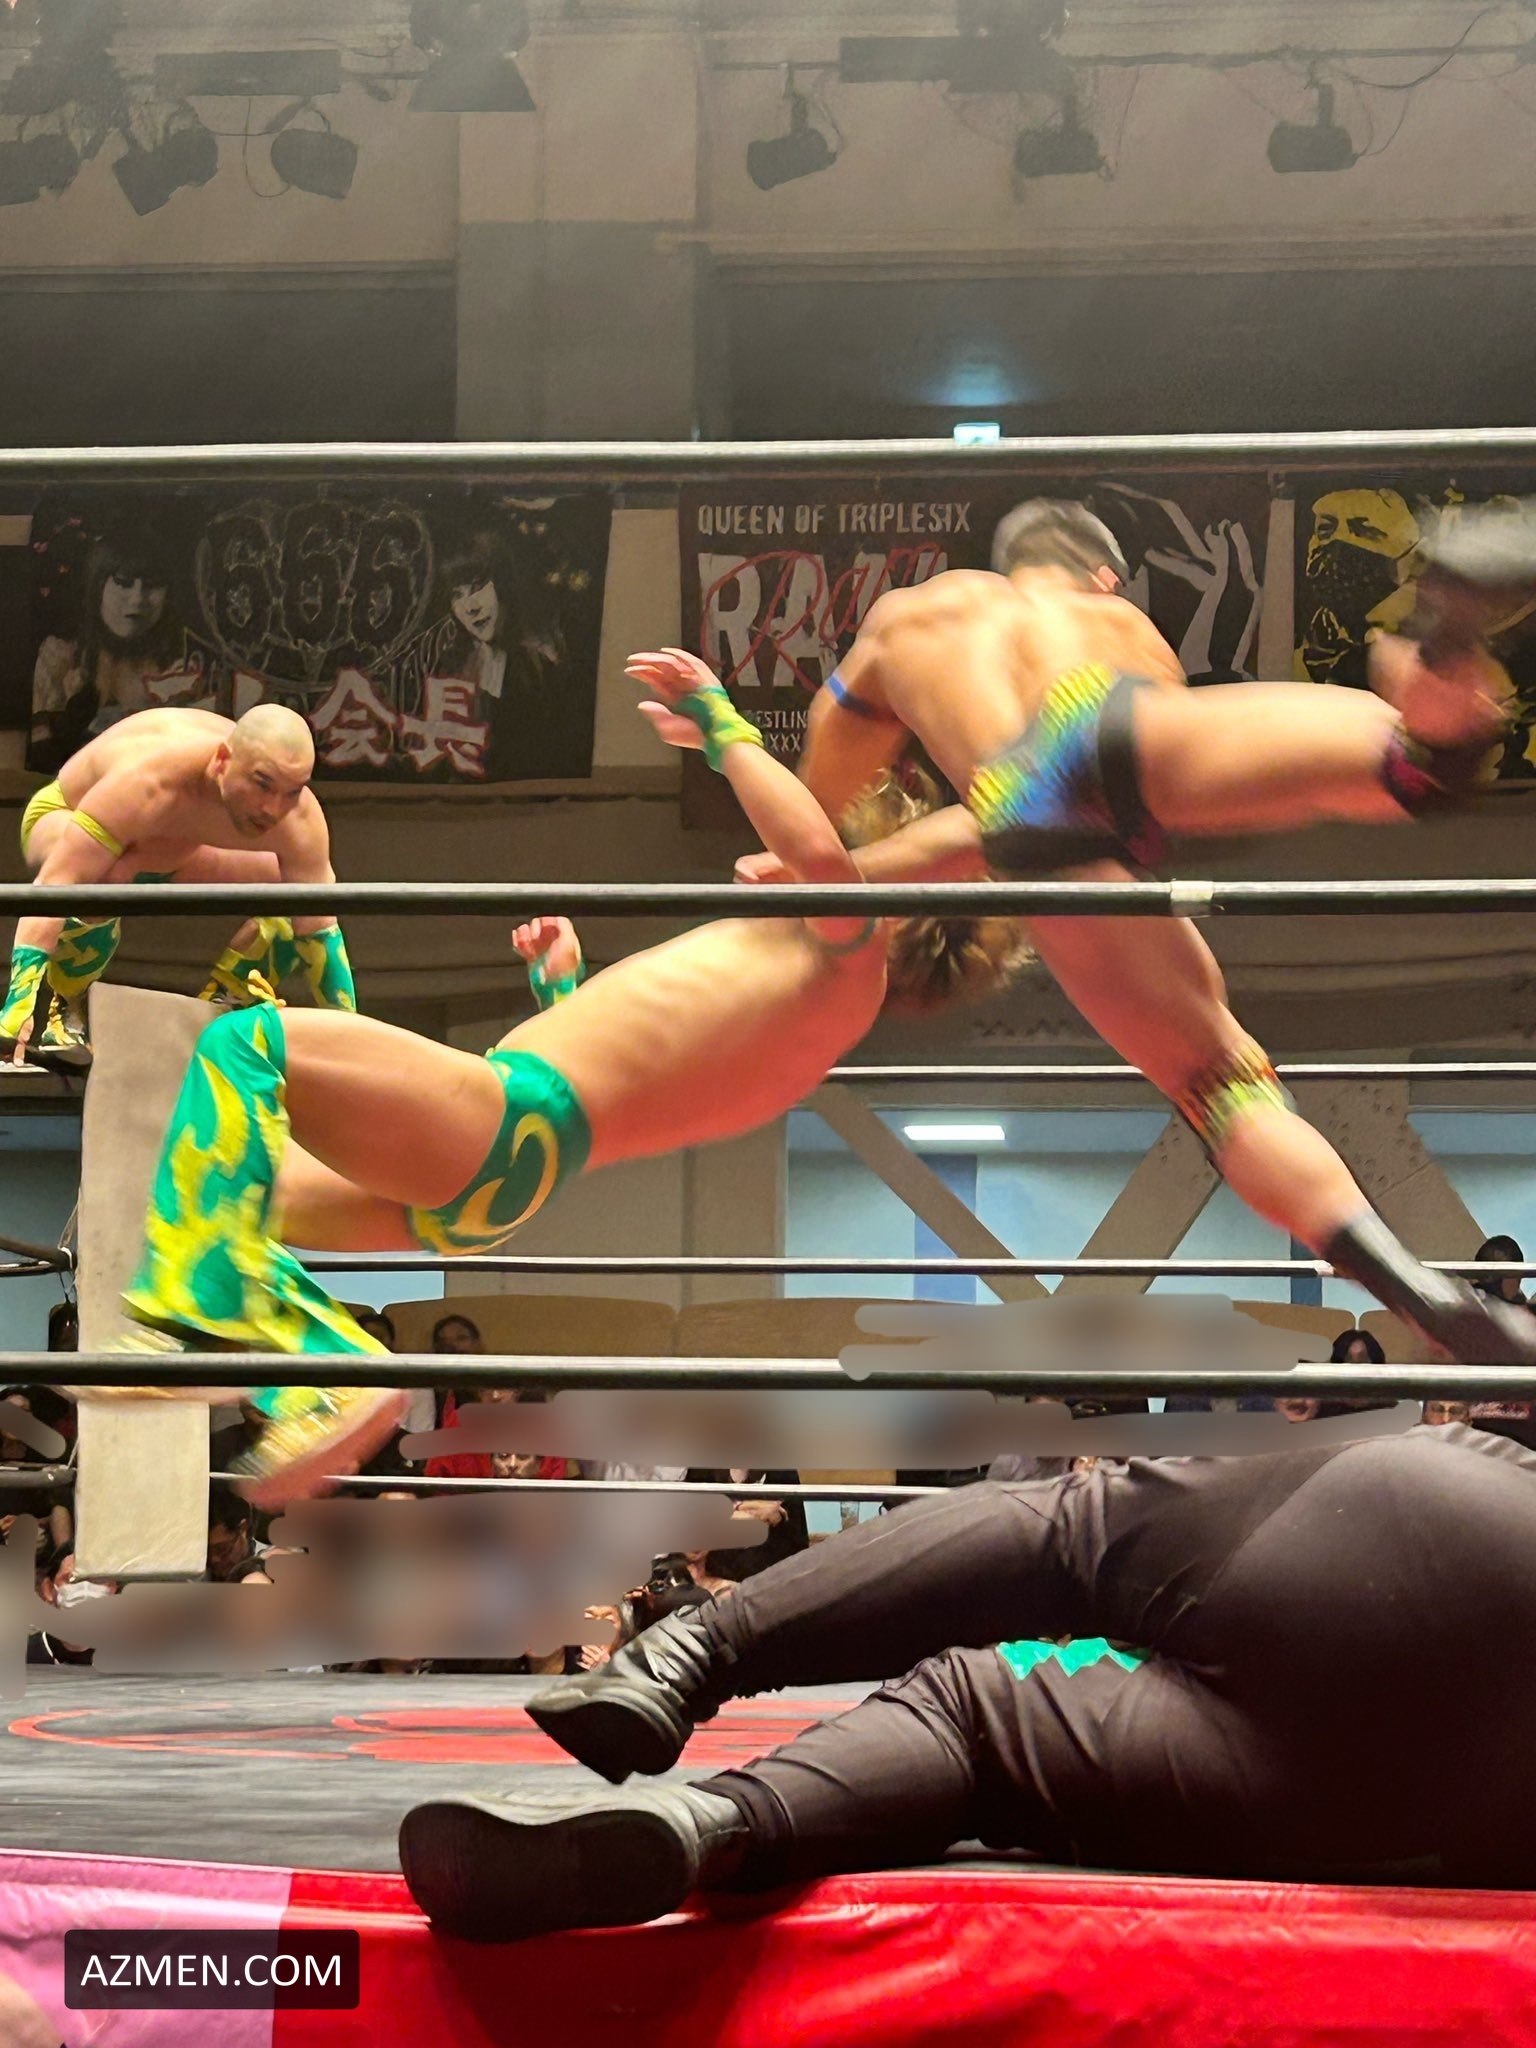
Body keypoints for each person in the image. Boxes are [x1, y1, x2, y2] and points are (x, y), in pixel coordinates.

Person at [112, 655, 1026, 1508]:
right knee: (232, 1194)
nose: (763, 866)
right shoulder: (808, 1007)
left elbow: (822, 860)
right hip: (516, 1168)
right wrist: (562, 989)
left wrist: (725, 731)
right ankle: (318, 1368)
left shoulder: (847, 954)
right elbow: (641, 1076)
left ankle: (262, 1347)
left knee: (243, 1045)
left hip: (510, 1116)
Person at [736, 500, 1536, 1371]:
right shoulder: (1118, 624)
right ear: (1104, 576)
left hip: (1014, 807)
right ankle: (1442, 644)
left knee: (1216, 1084)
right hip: (1114, 721)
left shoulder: (908, 621)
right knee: (1416, 767)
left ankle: (1418, 1294)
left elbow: (846, 806)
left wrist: (820, 868)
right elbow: (1105, 770)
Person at [399, 1424, 1536, 1940]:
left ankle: (686, 1660)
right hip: (1486, 1819)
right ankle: (712, 1826)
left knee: (1070, 1531)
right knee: (987, 1729)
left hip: (1465, 1526)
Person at [2, 702, 359, 1067]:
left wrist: (354, 1039)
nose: (273, 808)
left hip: (174, 850)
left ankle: (223, 1005)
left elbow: (318, 927)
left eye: (292, 791)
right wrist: (16, 1009)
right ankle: (69, 1001)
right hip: (66, 816)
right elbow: (57, 883)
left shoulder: (298, 818)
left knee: (295, 889)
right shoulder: (147, 779)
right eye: (262, 784)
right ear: (222, 760)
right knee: (106, 874)